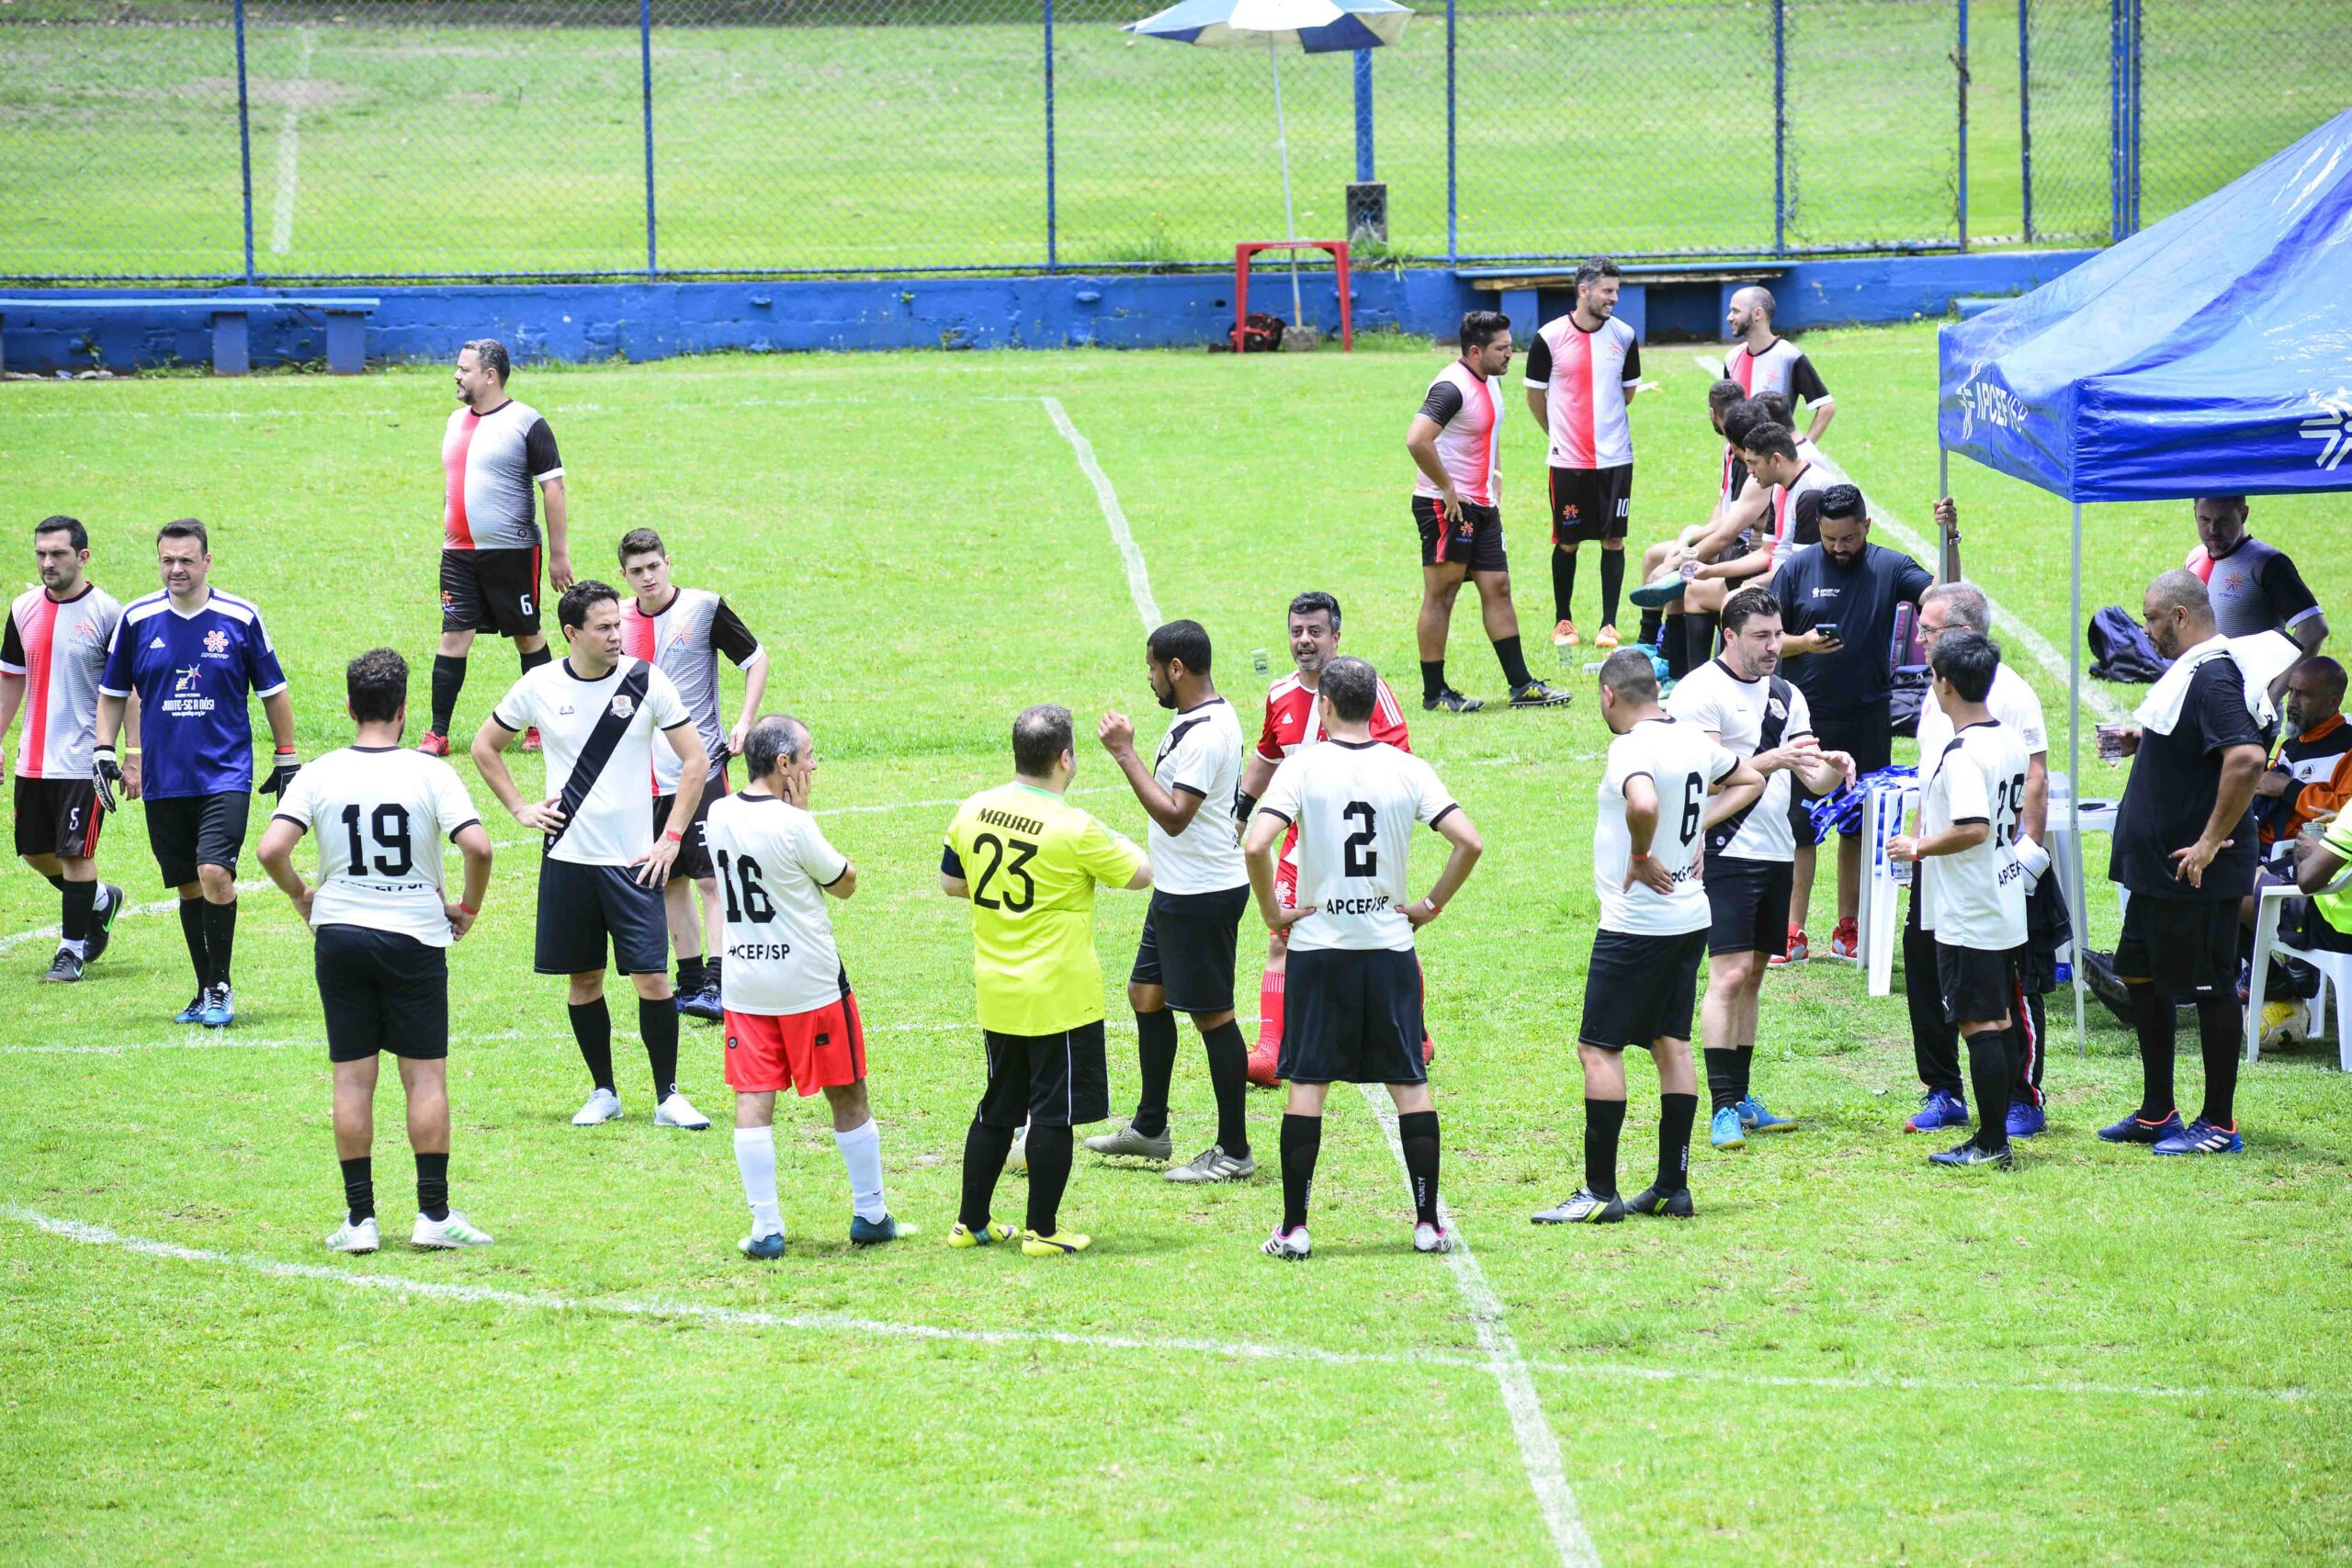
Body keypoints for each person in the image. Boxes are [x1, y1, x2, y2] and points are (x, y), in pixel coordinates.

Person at [256, 649, 496, 1253]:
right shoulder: (429, 773)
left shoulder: (319, 772)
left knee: (352, 1079)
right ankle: (432, 1213)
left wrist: (302, 895)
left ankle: (360, 1220)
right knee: (425, 1077)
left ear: (348, 706)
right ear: (404, 707)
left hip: (340, 936)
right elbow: (479, 847)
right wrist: (467, 909)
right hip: (413, 936)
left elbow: (270, 850)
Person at [1245, 657, 1482, 1260]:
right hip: (1389, 951)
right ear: (1375, 705)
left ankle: (1294, 1229)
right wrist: (1430, 904)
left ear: (1324, 705)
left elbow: (1255, 843)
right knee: (1410, 1083)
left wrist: (1274, 911)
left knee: (1308, 1084)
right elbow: (1469, 841)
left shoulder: (1302, 768)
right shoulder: (1408, 769)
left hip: (1320, 952)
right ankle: (1427, 1223)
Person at [471, 580, 713, 1132]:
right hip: (568, 860)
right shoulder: (539, 684)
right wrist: (519, 808)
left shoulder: (645, 680)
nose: (615, 635)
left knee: (653, 980)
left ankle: (668, 1096)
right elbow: (485, 746)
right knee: (584, 981)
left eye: (617, 625)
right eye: (603, 628)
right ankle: (603, 1091)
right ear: (571, 633)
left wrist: (671, 837)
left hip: (634, 861)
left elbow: (696, 760)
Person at [1533, 649, 1759, 1224]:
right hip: (1690, 915)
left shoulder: (1630, 748)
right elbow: (1751, 778)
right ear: (1655, 691)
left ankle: (1599, 1192)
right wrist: (1699, 828)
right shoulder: (1692, 739)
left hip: (1637, 923)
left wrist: (1639, 855)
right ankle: (1671, 1187)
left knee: (1598, 1049)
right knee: (1670, 1044)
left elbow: (1644, 802)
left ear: (1608, 695)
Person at [941, 705, 1152, 1257]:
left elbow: (951, 882)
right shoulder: (1076, 828)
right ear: (1065, 759)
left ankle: (970, 1223)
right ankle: (1043, 1230)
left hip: (998, 990)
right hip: (1060, 996)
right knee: (1054, 1114)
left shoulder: (973, 808)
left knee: (997, 1108)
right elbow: (1141, 874)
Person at [704, 714, 910, 1258]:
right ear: (784, 763)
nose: (814, 766)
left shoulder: (718, 812)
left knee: (753, 1099)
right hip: (810, 986)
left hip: (746, 985)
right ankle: (871, 1214)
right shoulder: (795, 825)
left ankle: (765, 1228)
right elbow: (845, 883)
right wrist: (800, 816)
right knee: (848, 1091)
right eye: (808, 755)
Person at [1665, 585, 1851, 1148]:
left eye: (1777, 635)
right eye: (1761, 637)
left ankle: (1741, 1097)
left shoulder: (1788, 694)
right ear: (1729, 636)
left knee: (1753, 977)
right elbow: (1706, 779)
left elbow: (1811, 777)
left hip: (1775, 851)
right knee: (1726, 976)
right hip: (1723, 851)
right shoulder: (1699, 692)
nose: (1774, 647)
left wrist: (1835, 767)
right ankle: (1721, 1106)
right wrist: (1773, 759)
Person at [94, 518, 300, 1029]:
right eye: (167, 560)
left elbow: (273, 691)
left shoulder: (240, 617)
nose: (176, 569)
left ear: (207, 561)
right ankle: (205, 988)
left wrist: (286, 756)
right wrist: (103, 750)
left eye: (186, 560)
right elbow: (113, 693)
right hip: (165, 779)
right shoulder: (137, 618)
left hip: (224, 774)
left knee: (214, 873)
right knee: (188, 885)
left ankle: (221, 985)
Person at [2092, 570, 2267, 1156]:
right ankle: (2158, 1111)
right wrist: (2145, 741)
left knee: (2210, 987)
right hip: (2160, 872)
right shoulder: (2193, 671)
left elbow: (2246, 758)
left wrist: (2210, 842)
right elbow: (2200, 742)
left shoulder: (2214, 674)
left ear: (2181, 617)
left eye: (2151, 618)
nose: (2145, 630)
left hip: (2196, 871)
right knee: (2142, 978)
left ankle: (2218, 1123)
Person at [1087, 620, 1256, 1183]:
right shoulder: (1195, 716)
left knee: (1213, 1016)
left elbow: (1176, 816)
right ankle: (1151, 1128)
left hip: (1203, 894)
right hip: (1177, 889)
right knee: (1146, 994)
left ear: (1176, 669)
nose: (1151, 678)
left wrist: (1124, 753)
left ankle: (1234, 1151)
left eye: (1153, 668)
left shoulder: (1206, 734)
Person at [1234, 591, 1426, 1087]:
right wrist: (1240, 813)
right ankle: (1270, 1050)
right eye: (1297, 631)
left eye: (1315, 631)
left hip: (1357, 840)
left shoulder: (1366, 691)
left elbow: (1399, 764)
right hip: (1299, 843)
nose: (1305, 640)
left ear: (1336, 637)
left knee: (1381, 928)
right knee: (1282, 937)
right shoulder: (1279, 694)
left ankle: (1415, 1031)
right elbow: (1266, 757)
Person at [1905, 533, 2058, 1140]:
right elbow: (1933, 774)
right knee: (1931, 973)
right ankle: (1944, 1088)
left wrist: (2028, 856)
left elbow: (2034, 778)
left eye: (1929, 630)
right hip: (1942, 864)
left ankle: (2019, 1098)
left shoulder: (2004, 695)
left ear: (1961, 636)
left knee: (2000, 993)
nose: (1920, 638)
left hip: (1984, 869)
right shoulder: (1945, 690)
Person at [1772, 484, 1935, 964]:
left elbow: (1942, 597)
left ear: (1866, 525)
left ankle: (1849, 927)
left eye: (1847, 538)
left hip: (1868, 717)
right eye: (1829, 539)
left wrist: (1950, 540)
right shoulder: (1798, 569)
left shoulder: (1890, 567)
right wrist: (1804, 644)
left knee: (1859, 826)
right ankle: (1791, 930)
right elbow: (1767, 638)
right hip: (1808, 720)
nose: (1839, 548)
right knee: (1799, 826)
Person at [1888, 630, 2031, 1170]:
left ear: (1944, 683)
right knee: (1996, 1017)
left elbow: (1973, 827)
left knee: (1978, 1022)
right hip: (2001, 892)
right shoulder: (2008, 739)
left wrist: (1917, 846)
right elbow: (2009, 820)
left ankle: (1991, 1142)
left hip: (1970, 904)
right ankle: (1995, 1135)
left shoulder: (1962, 754)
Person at [616, 527, 770, 1021]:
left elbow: (756, 659)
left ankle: (720, 983)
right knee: (667, 878)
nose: (647, 577)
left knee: (711, 879)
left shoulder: (703, 607)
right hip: (643, 776)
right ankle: (689, 982)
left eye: (653, 566)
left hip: (699, 765)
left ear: (668, 563)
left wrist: (745, 721)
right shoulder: (617, 619)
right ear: (624, 575)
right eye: (637, 571)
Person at [1403, 310, 1573, 713]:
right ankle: (1435, 693)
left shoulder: (1491, 379)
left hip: (1481, 505)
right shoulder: (1452, 388)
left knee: (1498, 587)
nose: (1510, 353)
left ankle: (1521, 685)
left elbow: (1487, 431)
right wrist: (1447, 487)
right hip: (1447, 507)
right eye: (1502, 348)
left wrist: (1495, 474)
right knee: (1442, 594)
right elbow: (1417, 439)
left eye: (1510, 345)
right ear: (1476, 352)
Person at [421, 338, 571, 757]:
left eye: (464, 369)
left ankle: (540, 725)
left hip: (512, 552)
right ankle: (437, 734)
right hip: (458, 553)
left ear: (490, 376)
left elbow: (554, 489)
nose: (456, 375)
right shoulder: (454, 421)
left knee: (527, 635)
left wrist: (559, 554)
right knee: (454, 636)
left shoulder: (527, 422)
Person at [3, 516, 130, 983]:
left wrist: (132, 754)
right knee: (36, 852)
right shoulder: (22, 608)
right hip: (33, 758)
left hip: (83, 758)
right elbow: (10, 679)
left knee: (75, 854)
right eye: (41, 553)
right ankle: (100, 899)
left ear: (83, 556)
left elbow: (128, 691)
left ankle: (71, 951)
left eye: (57, 553)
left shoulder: (109, 614)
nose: (47, 562)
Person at [1526, 256, 1643, 652]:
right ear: (1584, 290)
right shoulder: (1549, 337)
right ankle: (1563, 620)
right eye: (1607, 291)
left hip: (1615, 457)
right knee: (1568, 541)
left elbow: (1627, 392)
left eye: (1616, 291)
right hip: (1568, 461)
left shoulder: (1624, 335)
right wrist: (1558, 433)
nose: (1614, 298)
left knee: (1614, 539)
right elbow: (1534, 395)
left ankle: (1609, 624)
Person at [2184, 496, 2327, 701]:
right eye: (2205, 519)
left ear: (2243, 514)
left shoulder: (2268, 563)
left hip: (2246, 708)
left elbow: (2314, 629)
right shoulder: (2195, 558)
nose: (2213, 529)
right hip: (2199, 702)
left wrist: (2273, 694)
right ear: (2194, 514)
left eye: (2223, 520)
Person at [2253, 657, 2351, 856]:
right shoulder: (2290, 745)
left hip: (2304, 855)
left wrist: (2289, 789)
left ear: (2333, 701)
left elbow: (2345, 815)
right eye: (2291, 691)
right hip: (2260, 845)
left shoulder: (2346, 748)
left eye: (2304, 694)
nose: (2292, 703)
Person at [1722, 288, 1834, 445]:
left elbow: (1826, 406)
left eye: (1736, 311)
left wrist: (1804, 447)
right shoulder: (1732, 358)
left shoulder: (1789, 357)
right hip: (1738, 457)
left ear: (1758, 314)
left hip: (1774, 457)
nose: (1729, 317)